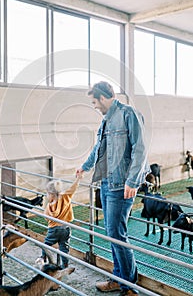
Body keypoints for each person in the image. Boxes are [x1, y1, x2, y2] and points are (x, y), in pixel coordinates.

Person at [76, 81, 149, 296]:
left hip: (122, 185)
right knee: (111, 234)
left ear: (103, 97)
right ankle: (118, 278)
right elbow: (98, 148)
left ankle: (129, 287)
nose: (94, 106)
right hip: (105, 183)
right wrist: (85, 166)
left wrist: (133, 181)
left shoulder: (129, 114)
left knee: (118, 234)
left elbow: (140, 149)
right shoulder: (105, 121)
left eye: (94, 102)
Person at [40, 176, 80, 269]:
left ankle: (43, 258)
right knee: (63, 247)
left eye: (47, 193)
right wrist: (78, 179)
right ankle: (65, 264)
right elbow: (73, 188)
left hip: (54, 229)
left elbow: (46, 218)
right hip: (65, 228)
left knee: (46, 245)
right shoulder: (65, 197)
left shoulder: (49, 206)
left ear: (51, 194)